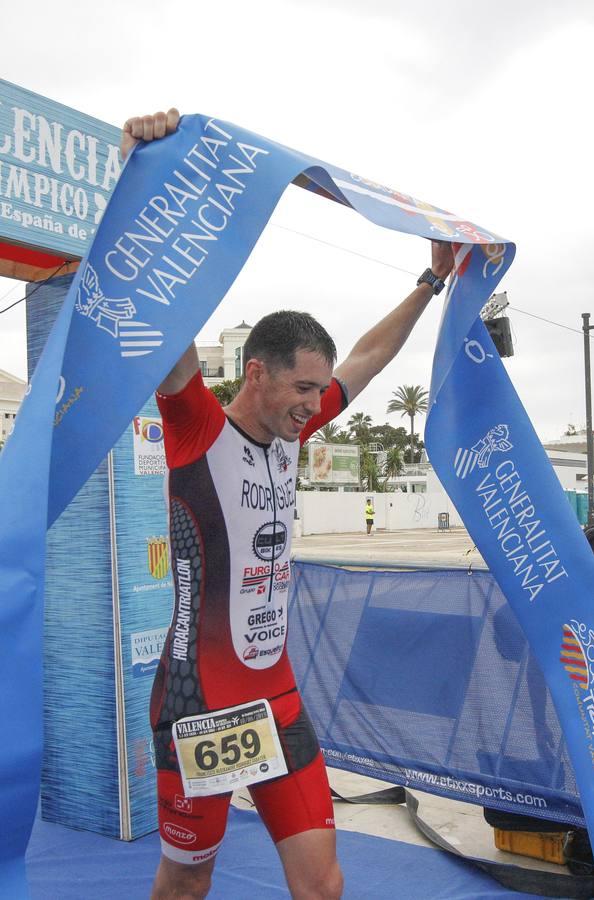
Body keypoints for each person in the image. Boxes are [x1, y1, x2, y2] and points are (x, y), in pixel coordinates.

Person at [121, 109, 455, 900]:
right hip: (196, 704)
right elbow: (165, 319)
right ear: (257, 373)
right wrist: (143, 175)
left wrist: (431, 281)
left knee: (321, 886)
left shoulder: (292, 435)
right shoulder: (196, 424)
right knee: (184, 884)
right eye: (302, 387)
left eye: (319, 389)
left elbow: (370, 360)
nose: (315, 404)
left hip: (274, 694)